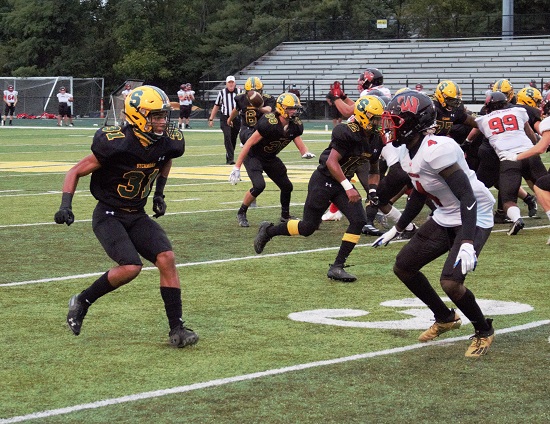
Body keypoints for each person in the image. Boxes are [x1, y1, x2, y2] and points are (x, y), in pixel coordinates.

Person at [54, 85, 198, 348]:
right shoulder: (116, 143)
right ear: (137, 115)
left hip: (137, 214)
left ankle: (177, 328)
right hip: (109, 214)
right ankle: (82, 301)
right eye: (156, 116)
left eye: (163, 115)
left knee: (166, 258)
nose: (162, 121)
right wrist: (66, 205)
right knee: (131, 267)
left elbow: (165, 158)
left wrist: (159, 193)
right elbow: (75, 171)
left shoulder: (167, 141)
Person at [372, 90, 495, 358]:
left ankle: (483, 330)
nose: (389, 126)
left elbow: (467, 196)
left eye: (395, 121)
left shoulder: (437, 150)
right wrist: (398, 227)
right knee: (404, 266)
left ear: (413, 123)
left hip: (474, 212)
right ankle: (444, 317)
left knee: (451, 282)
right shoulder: (406, 152)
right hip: (446, 213)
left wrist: (467, 241)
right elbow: (420, 190)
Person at [253, 95, 385, 283]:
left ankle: (337, 267)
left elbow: (374, 169)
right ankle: (269, 231)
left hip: (342, 182)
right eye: (375, 118)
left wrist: (372, 191)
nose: (379, 123)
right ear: (364, 116)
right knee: (307, 228)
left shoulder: (376, 139)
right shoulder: (346, 131)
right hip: (324, 180)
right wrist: (348, 187)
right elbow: (332, 162)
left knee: (359, 220)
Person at [229, 92, 315, 227]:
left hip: (269, 157)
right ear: (281, 108)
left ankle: (285, 216)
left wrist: (305, 152)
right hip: (253, 156)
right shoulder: (269, 122)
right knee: (259, 186)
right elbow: (249, 143)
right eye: (291, 108)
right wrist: (237, 167)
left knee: (287, 186)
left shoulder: (295, 124)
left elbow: (295, 137)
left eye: (295, 108)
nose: (294, 111)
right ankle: (241, 212)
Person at [475, 91, 546, 235]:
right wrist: (534, 145)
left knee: (508, 200)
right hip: (529, 154)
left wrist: (467, 141)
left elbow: (474, 132)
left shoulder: (483, 120)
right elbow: (530, 134)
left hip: (509, 159)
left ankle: (517, 219)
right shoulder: (518, 111)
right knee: (546, 187)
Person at [498, 116, 550, 243]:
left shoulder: (546, 123)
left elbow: (540, 148)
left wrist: (516, 157)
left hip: (516, 156)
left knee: (541, 186)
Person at [208, 76, 242, 165]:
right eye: (229, 82)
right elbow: (216, 106)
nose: (231, 84)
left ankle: (229, 155)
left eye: (232, 82)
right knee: (227, 136)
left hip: (236, 119)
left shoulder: (240, 92)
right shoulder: (222, 93)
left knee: (233, 138)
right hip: (225, 118)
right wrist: (211, 118)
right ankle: (231, 158)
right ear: (226, 84)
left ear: (235, 83)